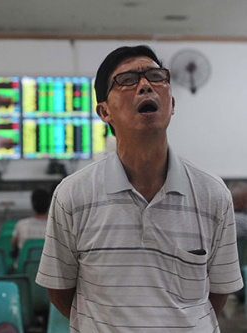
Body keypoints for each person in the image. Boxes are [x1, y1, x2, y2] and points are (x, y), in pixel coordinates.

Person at [36, 45, 243, 331]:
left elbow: (218, 292)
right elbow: (60, 290)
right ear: (104, 111)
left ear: (171, 104)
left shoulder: (213, 194)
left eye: (156, 77)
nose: (146, 86)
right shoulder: (72, 195)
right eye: (127, 80)